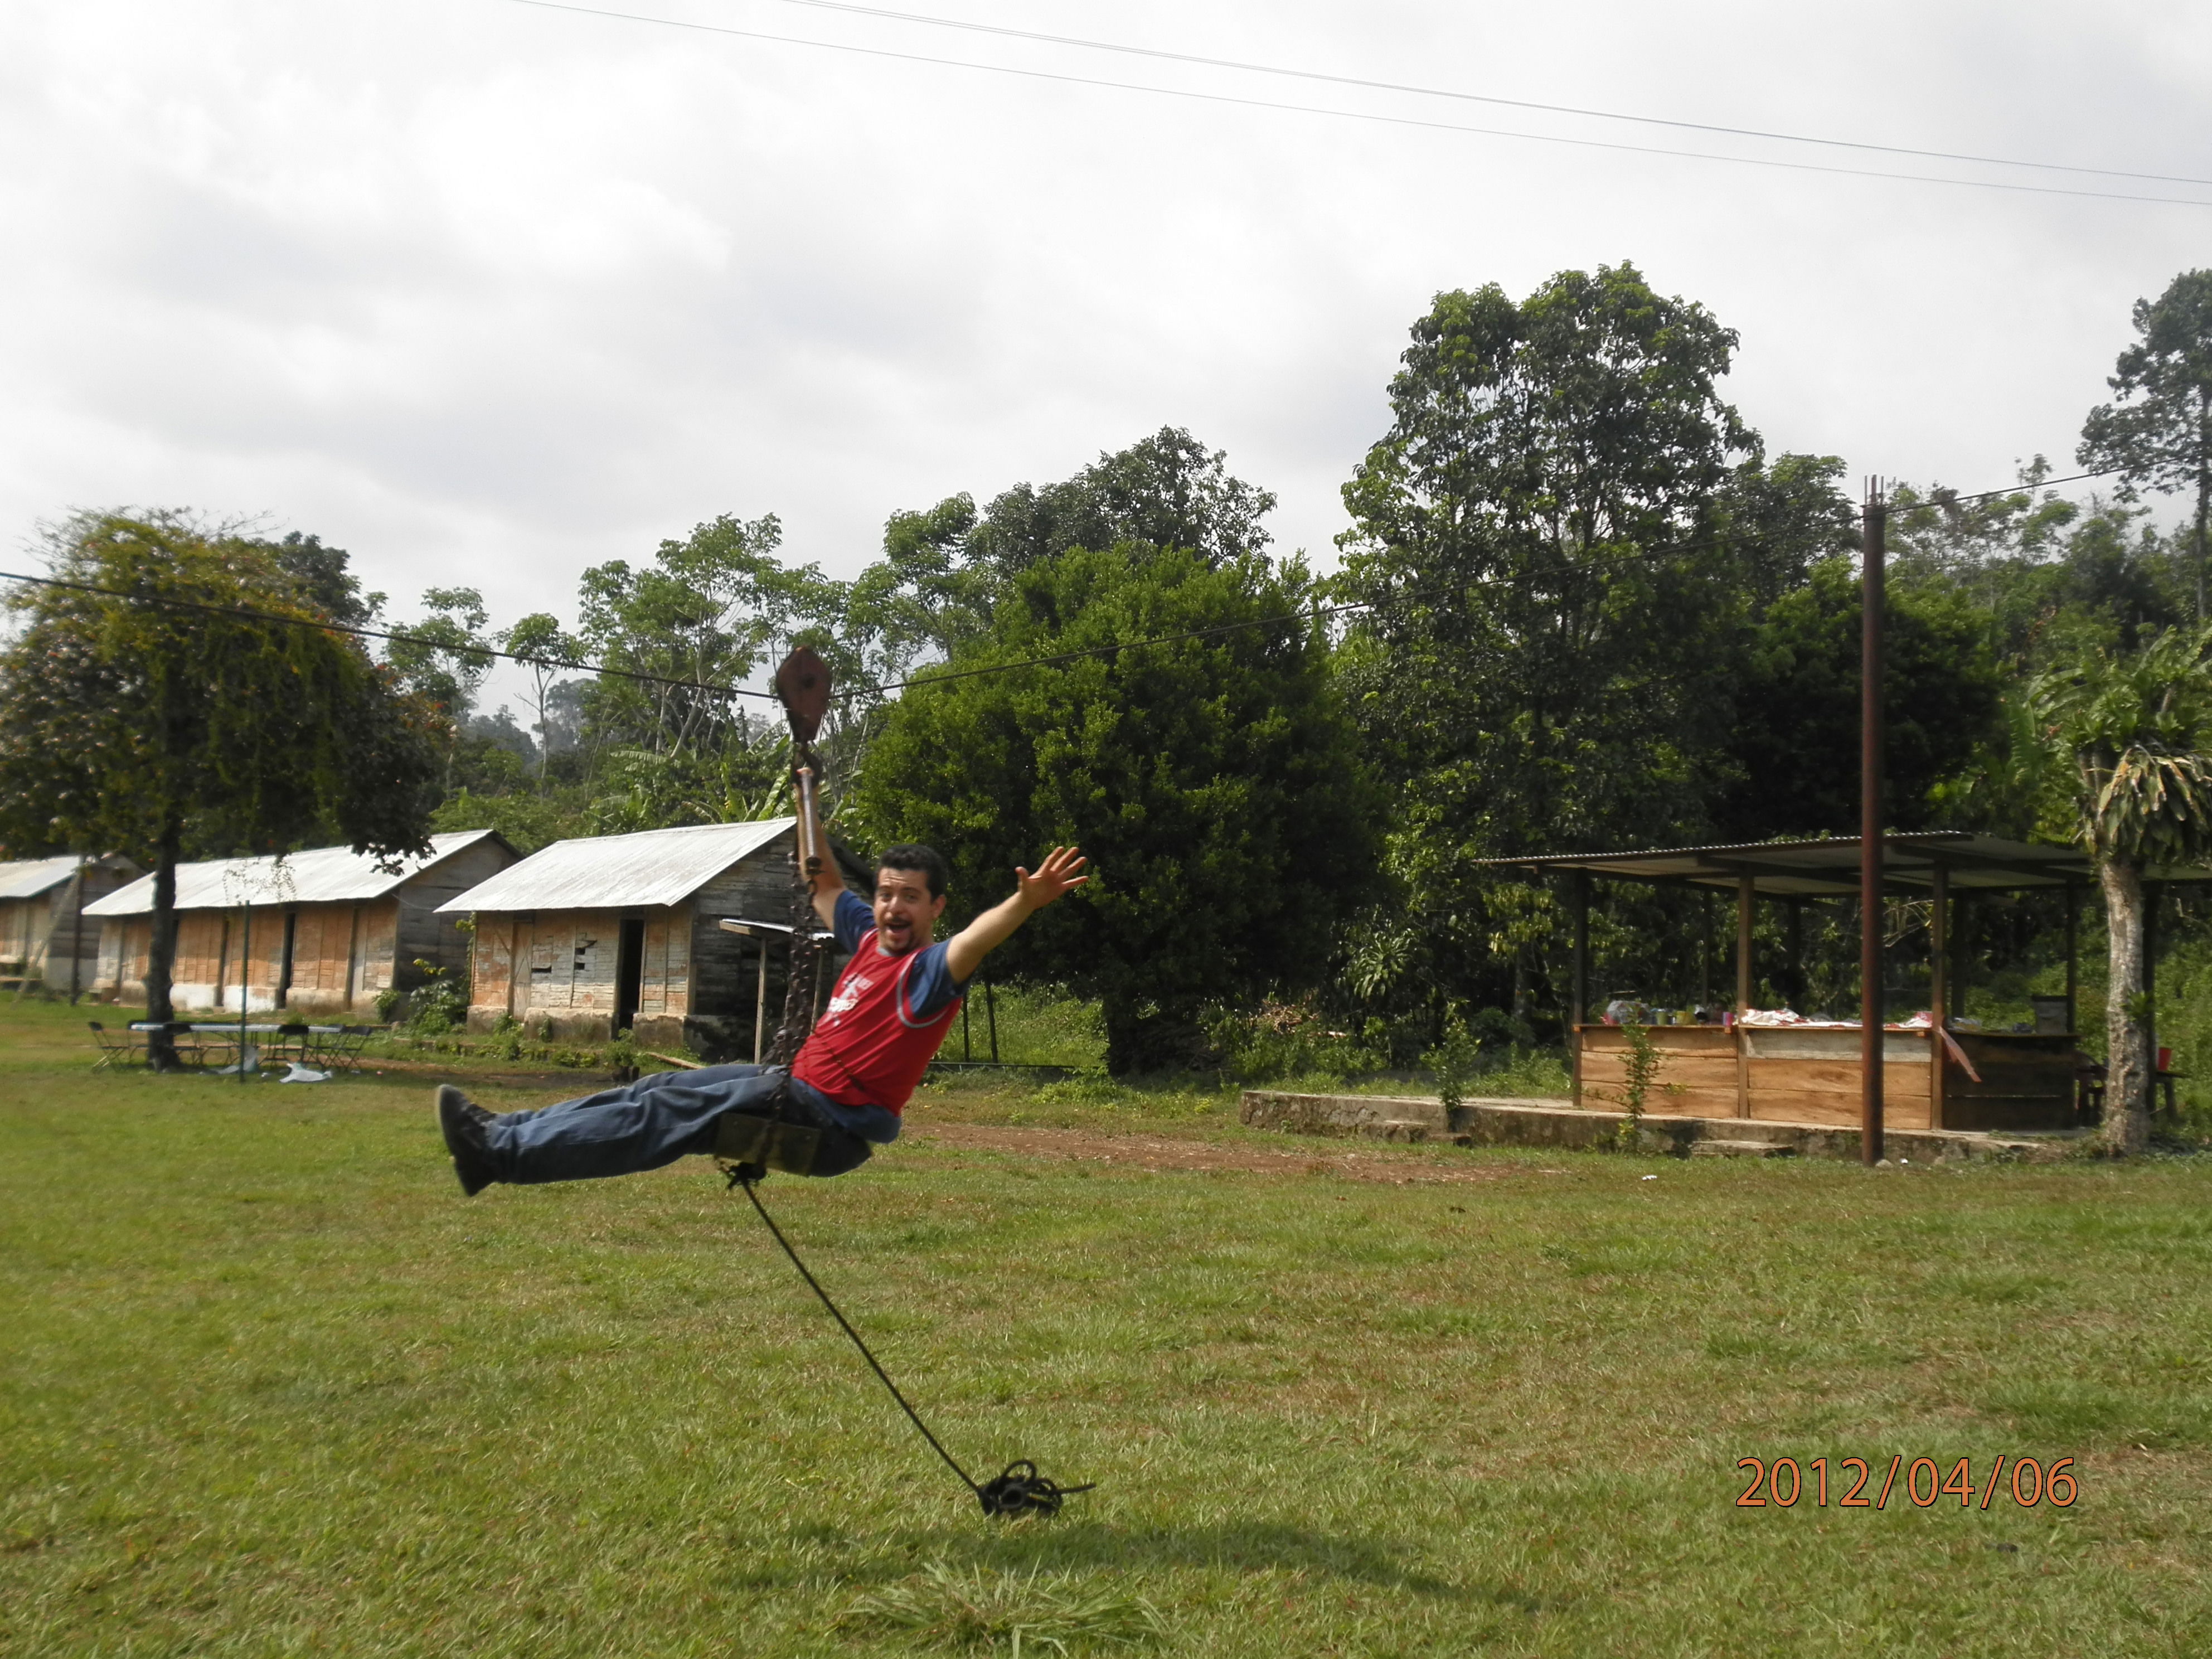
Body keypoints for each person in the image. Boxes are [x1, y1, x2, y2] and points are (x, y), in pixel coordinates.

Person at [433, 807, 1088, 1196]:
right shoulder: (866, 938)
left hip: (829, 1124)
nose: (892, 906)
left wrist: (1024, 903)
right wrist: (806, 792)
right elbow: (824, 879)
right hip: (792, 1089)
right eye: (887, 892)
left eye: (909, 897)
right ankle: (501, 1134)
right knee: (649, 1092)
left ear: (933, 906)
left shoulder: (926, 974)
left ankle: (499, 1157)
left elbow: (975, 941)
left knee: (662, 1110)